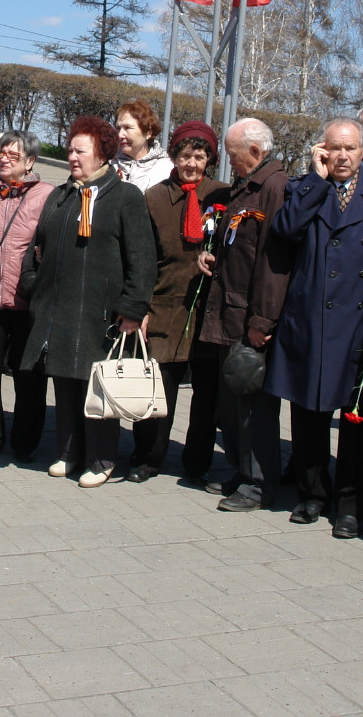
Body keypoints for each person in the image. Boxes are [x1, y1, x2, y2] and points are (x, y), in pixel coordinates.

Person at [268, 118, 363, 528]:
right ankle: (311, 494)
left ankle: (350, 505)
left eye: (350, 148)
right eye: (334, 148)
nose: (342, 156)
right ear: (321, 151)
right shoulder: (305, 188)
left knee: (358, 419)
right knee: (307, 412)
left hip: (360, 322)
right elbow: (286, 229)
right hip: (311, 318)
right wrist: (316, 179)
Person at [19, 115, 157, 486]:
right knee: (65, 384)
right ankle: (68, 453)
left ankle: (101, 459)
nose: (72, 157)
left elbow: (142, 259)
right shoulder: (60, 196)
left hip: (103, 314)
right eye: (70, 150)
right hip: (60, 310)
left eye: (81, 151)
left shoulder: (126, 197)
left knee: (99, 389)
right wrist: (33, 287)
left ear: (103, 154)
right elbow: (37, 248)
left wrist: (133, 308)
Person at [188, 118, 291, 511]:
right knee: (232, 405)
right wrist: (212, 255)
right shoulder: (244, 188)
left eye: (232, 154)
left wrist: (263, 321)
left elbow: (274, 263)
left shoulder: (274, 189)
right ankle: (242, 472)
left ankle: (259, 483)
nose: (228, 162)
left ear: (255, 151)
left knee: (253, 408)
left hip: (250, 319)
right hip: (228, 314)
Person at [134, 121, 226, 483]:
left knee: (207, 396)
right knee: (158, 389)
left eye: (199, 157)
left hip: (207, 310)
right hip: (165, 304)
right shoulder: (155, 197)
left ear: (210, 160)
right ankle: (148, 457)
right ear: (174, 156)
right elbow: (143, 258)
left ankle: (197, 463)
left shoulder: (221, 195)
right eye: (185, 155)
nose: (192, 163)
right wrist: (141, 307)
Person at [0, 128, 52, 462]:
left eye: (12, 155)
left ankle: (26, 440)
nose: (4, 159)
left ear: (29, 161)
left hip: (28, 300)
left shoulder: (47, 195)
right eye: (1, 153)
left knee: (29, 376)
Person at [112, 100, 173, 192]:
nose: (120, 135)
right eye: (118, 128)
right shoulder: (108, 164)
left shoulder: (165, 168)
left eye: (127, 128)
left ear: (148, 133)